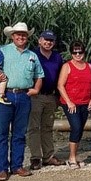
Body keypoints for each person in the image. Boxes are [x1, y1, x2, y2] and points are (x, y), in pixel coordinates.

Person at [0, 22, 43, 181]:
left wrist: (37, 89)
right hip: (4, 95)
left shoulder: (32, 55)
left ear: (27, 37)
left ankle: (17, 165)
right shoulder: (1, 51)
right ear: (12, 36)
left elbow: (39, 75)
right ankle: (1, 169)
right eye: (18, 34)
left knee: (19, 133)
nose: (21, 37)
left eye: (24, 34)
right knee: (2, 133)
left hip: (24, 96)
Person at [27, 30, 64, 169]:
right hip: (36, 96)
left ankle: (48, 156)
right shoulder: (32, 55)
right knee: (34, 127)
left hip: (51, 96)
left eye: (51, 40)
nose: (48, 42)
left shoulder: (57, 57)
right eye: (46, 40)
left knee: (48, 127)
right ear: (39, 41)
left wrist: (59, 96)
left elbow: (61, 76)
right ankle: (35, 158)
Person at [57, 41, 91, 169]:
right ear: (71, 53)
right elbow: (60, 85)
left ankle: (75, 155)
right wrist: (68, 101)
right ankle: (71, 157)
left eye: (80, 52)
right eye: (75, 52)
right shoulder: (67, 66)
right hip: (71, 102)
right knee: (76, 127)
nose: (78, 54)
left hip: (85, 102)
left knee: (80, 129)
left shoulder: (89, 66)